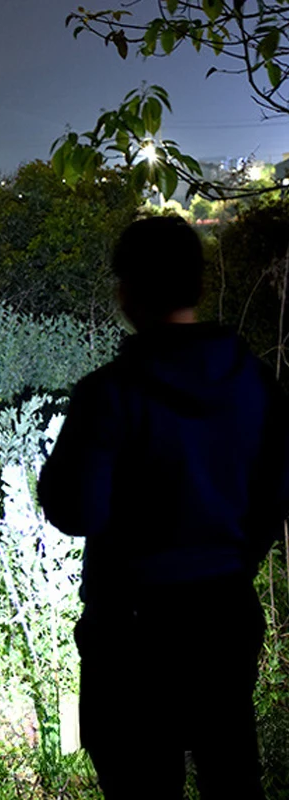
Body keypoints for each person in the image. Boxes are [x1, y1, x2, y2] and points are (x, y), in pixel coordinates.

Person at [37, 215, 289, 799]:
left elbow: (74, 510)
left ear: (126, 291)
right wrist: (236, 560)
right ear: (198, 286)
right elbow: (277, 495)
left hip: (131, 635)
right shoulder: (255, 383)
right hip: (225, 616)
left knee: (140, 785)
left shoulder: (108, 395)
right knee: (232, 777)